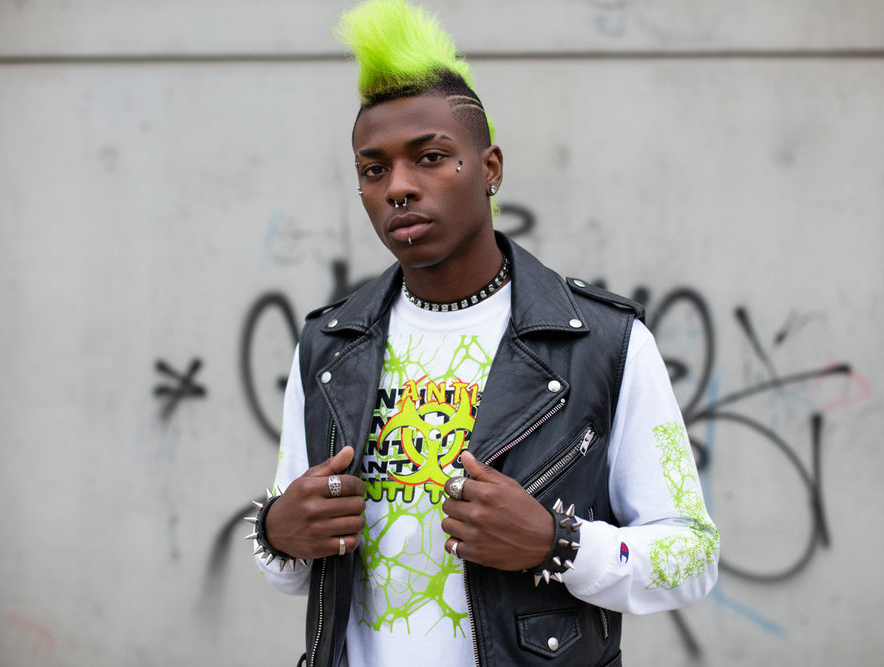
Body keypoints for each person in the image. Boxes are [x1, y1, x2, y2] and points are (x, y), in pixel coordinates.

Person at [246, 1, 719, 665]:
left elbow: (693, 556)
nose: (399, 187)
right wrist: (277, 532)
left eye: (431, 157)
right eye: (373, 169)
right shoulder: (330, 347)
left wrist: (557, 544)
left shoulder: (601, 343)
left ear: (491, 167)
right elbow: (296, 572)